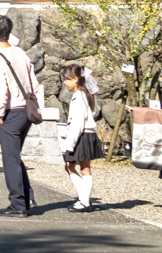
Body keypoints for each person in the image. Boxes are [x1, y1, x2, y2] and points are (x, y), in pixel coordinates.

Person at [0, 13, 38, 217]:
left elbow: (1, 90)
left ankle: (18, 204)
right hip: (26, 109)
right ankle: (26, 197)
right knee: (15, 156)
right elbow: (33, 82)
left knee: (10, 159)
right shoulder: (21, 53)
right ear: (9, 32)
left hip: (10, 112)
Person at [58, 63, 102, 212]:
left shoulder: (79, 96)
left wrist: (69, 144)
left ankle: (84, 200)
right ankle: (84, 200)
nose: (65, 82)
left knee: (71, 167)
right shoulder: (85, 94)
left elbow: (77, 122)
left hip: (81, 136)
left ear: (75, 79)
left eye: (67, 79)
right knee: (85, 168)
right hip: (87, 134)